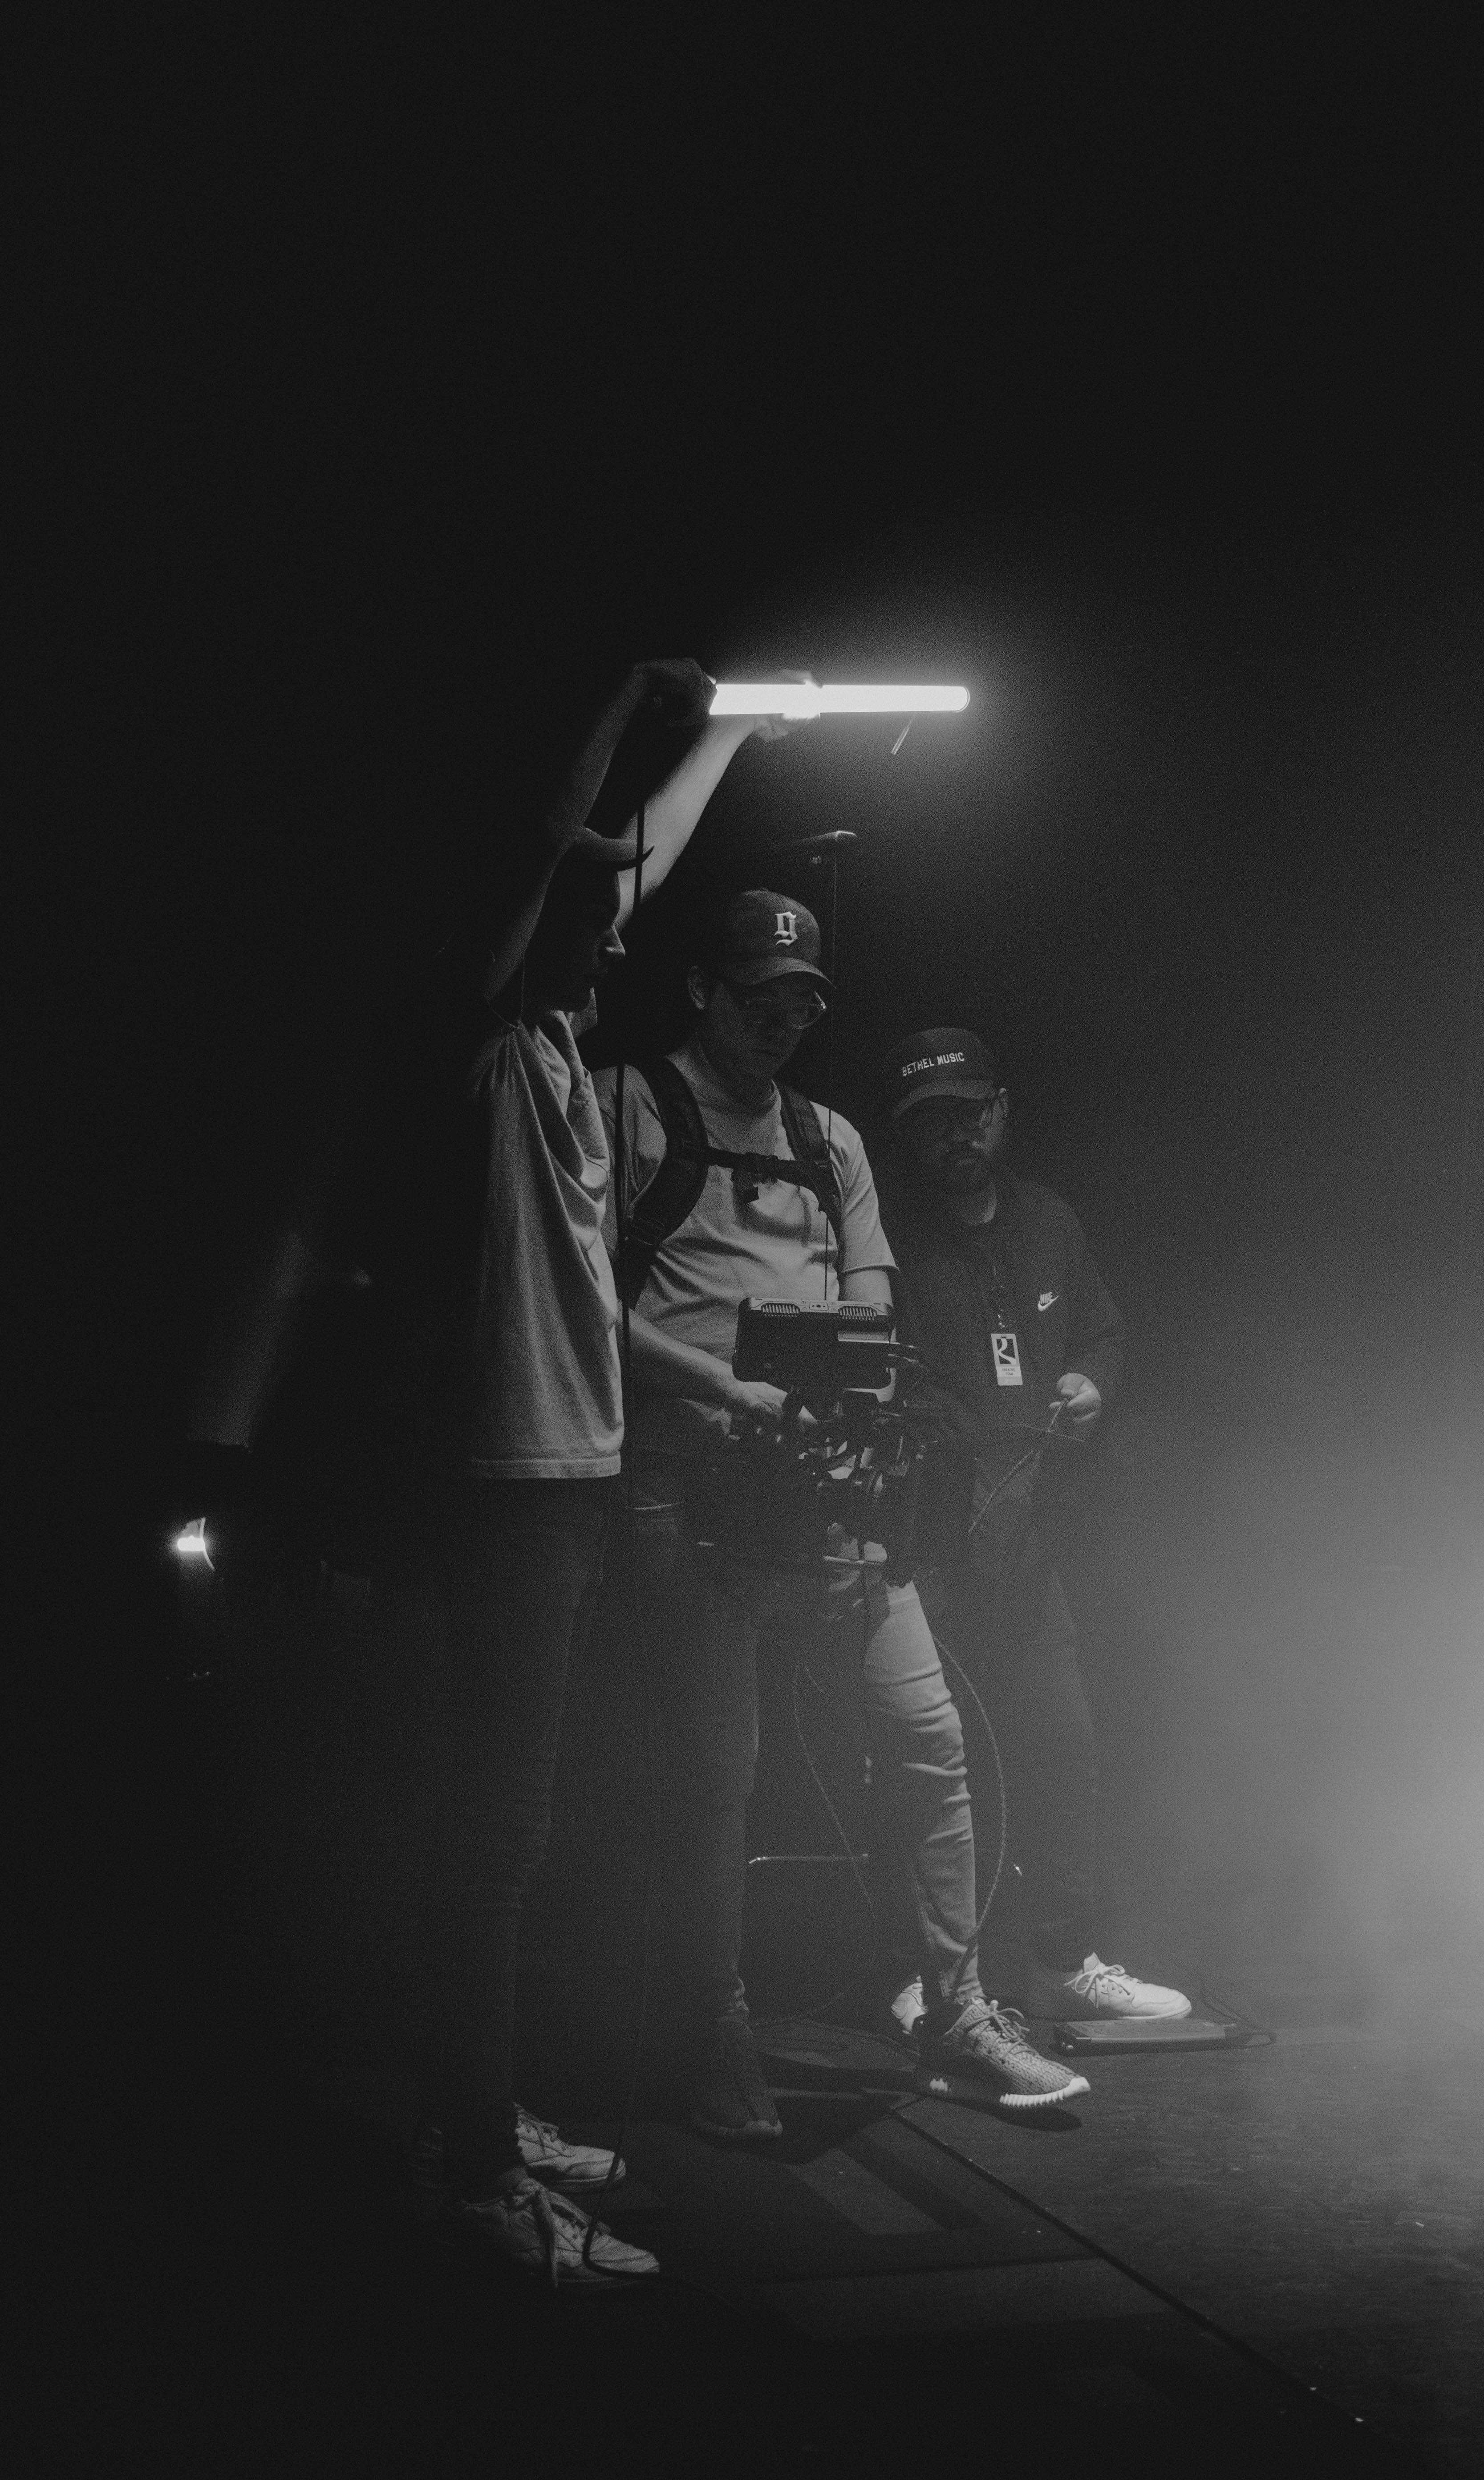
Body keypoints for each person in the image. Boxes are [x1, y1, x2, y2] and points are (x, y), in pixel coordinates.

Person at [405, 657, 787, 2282]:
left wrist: (735, 732)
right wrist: (623, 708)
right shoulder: (487, 1040)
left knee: (522, 1829)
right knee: (492, 1843)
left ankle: (474, 2115)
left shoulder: (559, 1050)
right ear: (537, 926)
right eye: (594, 917)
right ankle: (479, 2176)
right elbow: (551, 854)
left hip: (567, 1480)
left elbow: (619, 867)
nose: (621, 935)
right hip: (506, 1484)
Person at [595, 897, 1090, 2138]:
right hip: (685, 1488)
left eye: (804, 997)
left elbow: (870, 1300)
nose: (785, 1016)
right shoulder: (628, 1104)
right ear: (704, 987)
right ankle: (712, 2031)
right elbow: (578, 1297)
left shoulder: (831, 1139)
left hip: (824, 1488)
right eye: (761, 991)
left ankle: (957, 2009)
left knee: (928, 1738)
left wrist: (849, 1408)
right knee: (716, 1775)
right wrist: (726, 1389)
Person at [875, 1026, 1191, 2033]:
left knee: (1062, 1747)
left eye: (970, 1113)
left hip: (1030, 1542)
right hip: (927, 1543)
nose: (956, 1135)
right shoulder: (886, 1233)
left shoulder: (1049, 1219)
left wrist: (1092, 1381)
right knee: (935, 1762)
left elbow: (1102, 1329)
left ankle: (1060, 1961)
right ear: (908, 1136)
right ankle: (934, 1974)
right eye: (933, 1122)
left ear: (1002, 1110)